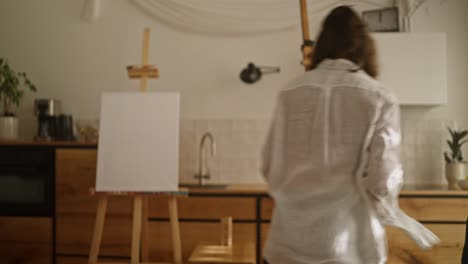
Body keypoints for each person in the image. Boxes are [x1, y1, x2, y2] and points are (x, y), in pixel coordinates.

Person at [261, 6, 439, 264]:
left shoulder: (289, 93)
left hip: (286, 244)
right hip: (346, 246)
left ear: (323, 43)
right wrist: (386, 211)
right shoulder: (378, 96)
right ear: (362, 46)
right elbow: (383, 180)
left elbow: (269, 166)